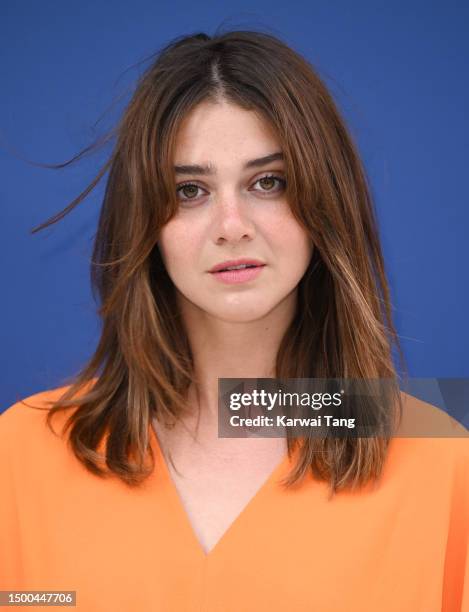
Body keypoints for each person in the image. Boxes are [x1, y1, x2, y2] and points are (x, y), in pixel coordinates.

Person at [0, 29, 467, 612]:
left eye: (267, 182)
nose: (231, 225)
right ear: (144, 221)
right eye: (189, 190)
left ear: (326, 203)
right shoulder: (20, 451)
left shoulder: (442, 458)